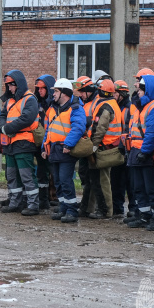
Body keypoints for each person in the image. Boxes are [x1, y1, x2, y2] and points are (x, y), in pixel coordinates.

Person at [42, 78, 87, 223]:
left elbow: (79, 127)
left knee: (65, 181)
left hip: (65, 150)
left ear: (64, 93)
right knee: (58, 182)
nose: (53, 94)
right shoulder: (54, 108)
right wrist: (44, 146)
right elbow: (48, 130)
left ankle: (72, 211)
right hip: (54, 150)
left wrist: (68, 145)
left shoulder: (75, 108)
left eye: (56, 91)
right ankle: (64, 208)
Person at [126, 73, 154, 231]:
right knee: (138, 187)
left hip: (147, 153)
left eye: (140, 87)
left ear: (147, 89)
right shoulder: (141, 106)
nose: (136, 89)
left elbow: (153, 132)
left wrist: (145, 151)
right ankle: (144, 215)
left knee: (151, 187)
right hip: (137, 151)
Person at [0, 69, 41, 215]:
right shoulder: (10, 101)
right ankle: (15, 203)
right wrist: (3, 128)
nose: (9, 88)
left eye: (12, 85)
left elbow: (27, 119)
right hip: (11, 143)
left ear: (18, 84)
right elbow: (2, 115)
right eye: (8, 85)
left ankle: (33, 205)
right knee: (11, 176)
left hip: (24, 143)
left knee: (27, 176)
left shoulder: (30, 99)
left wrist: (6, 128)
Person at [85, 78, 123, 219]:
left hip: (102, 148)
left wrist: (93, 147)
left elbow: (99, 129)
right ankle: (101, 208)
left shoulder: (105, 106)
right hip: (109, 148)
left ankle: (105, 210)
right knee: (102, 180)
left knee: (102, 181)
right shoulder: (113, 104)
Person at [74, 75, 98, 217]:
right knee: (83, 174)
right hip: (84, 144)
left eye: (83, 91)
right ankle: (85, 203)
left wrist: (84, 121)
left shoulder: (96, 102)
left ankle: (88, 206)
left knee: (92, 177)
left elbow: (96, 120)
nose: (81, 94)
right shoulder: (84, 102)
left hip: (92, 146)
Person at [111, 80, 133, 217]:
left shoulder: (130, 108)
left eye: (115, 92)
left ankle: (133, 209)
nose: (112, 95)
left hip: (128, 150)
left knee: (130, 182)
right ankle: (117, 208)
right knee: (116, 180)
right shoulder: (114, 107)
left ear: (122, 94)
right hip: (116, 149)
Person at [34, 74, 56, 210]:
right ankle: (43, 199)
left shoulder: (54, 105)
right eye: (38, 88)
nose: (40, 90)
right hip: (40, 143)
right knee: (41, 172)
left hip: (52, 143)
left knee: (55, 172)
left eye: (43, 88)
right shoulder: (36, 103)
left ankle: (55, 197)